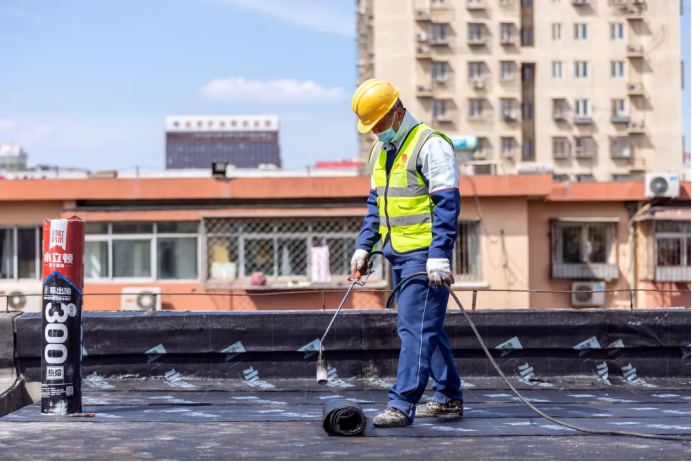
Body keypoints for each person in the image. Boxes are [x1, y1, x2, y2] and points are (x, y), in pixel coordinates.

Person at [351, 79, 463, 428]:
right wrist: (363, 246)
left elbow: (447, 204)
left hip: (424, 255)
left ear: (397, 112)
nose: (377, 132)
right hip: (397, 254)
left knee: (414, 328)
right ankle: (448, 397)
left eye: (380, 125)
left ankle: (401, 404)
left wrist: (439, 254)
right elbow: (376, 206)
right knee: (428, 326)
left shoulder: (431, 146)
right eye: (372, 128)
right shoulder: (380, 153)